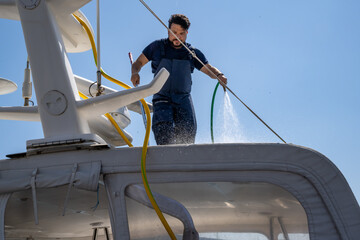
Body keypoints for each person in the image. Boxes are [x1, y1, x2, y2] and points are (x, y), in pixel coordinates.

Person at [131, 14, 227, 145]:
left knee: (188, 132)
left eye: (181, 33)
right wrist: (135, 73)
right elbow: (138, 63)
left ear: (187, 32)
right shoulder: (157, 47)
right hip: (162, 97)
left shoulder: (192, 53)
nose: (177, 37)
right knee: (163, 131)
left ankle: (185, 160)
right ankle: (165, 156)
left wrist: (219, 75)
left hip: (183, 99)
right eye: (174, 32)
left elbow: (208, 68)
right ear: (168, 30)